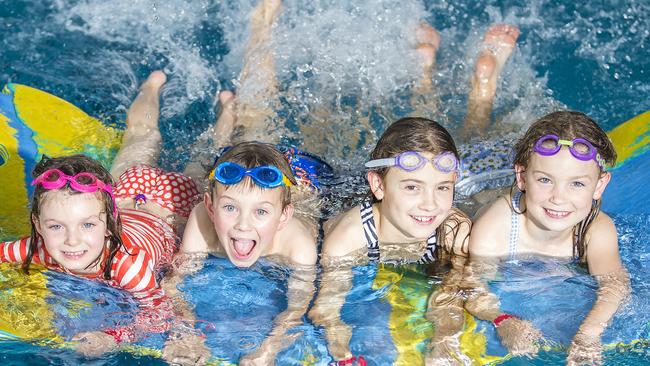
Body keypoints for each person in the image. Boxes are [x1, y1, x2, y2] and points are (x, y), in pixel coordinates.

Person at [307, 20, 519, 365]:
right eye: (412, 187)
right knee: (319, 144)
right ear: (378, 185)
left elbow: (458, 290)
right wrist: (342, 354)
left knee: (464, 148)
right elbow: (326, 308)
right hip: (339, 189)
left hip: (410, 195)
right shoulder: (348, 238)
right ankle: (428, 73)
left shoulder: (453, 227)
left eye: (443, 188)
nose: (430, 204)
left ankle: (483, 88)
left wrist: (445, 343)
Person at [160, 0, 330, 364]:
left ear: (283, 217)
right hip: (259, 173)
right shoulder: (201, 220)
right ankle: (233, 100)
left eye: (261, 213)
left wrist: (266, 351)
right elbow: (174, 285)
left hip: (303, 174)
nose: (242, 224)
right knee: (244, 129)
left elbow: (297, 310)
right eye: (230, 208)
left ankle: (263, 25)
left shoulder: (298, 246)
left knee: (265, 112)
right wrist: (184, 331)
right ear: (210, 205)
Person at [0, 71, 201, 356]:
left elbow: (159, 314)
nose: (72, 241)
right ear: (38, 225)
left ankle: (223, 113)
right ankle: (151, 86)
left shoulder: (127, 266)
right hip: (126, 192)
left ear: (109, 224)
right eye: (56, 227)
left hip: (169, 205)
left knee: (199, 165)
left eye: (87, 226)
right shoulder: (37, 247)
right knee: (139, 138)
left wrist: (112, 337)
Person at [465, 111, 630, 365]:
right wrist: (501, 319)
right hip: (479, 187)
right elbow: (472, 287)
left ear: (599, 186)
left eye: (576, 184)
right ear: (522, 177)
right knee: (475, 133)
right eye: (545, 180)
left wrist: (589, 334)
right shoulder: (495, 228)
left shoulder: (595, 229)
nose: (558, 198)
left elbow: (615, 285)